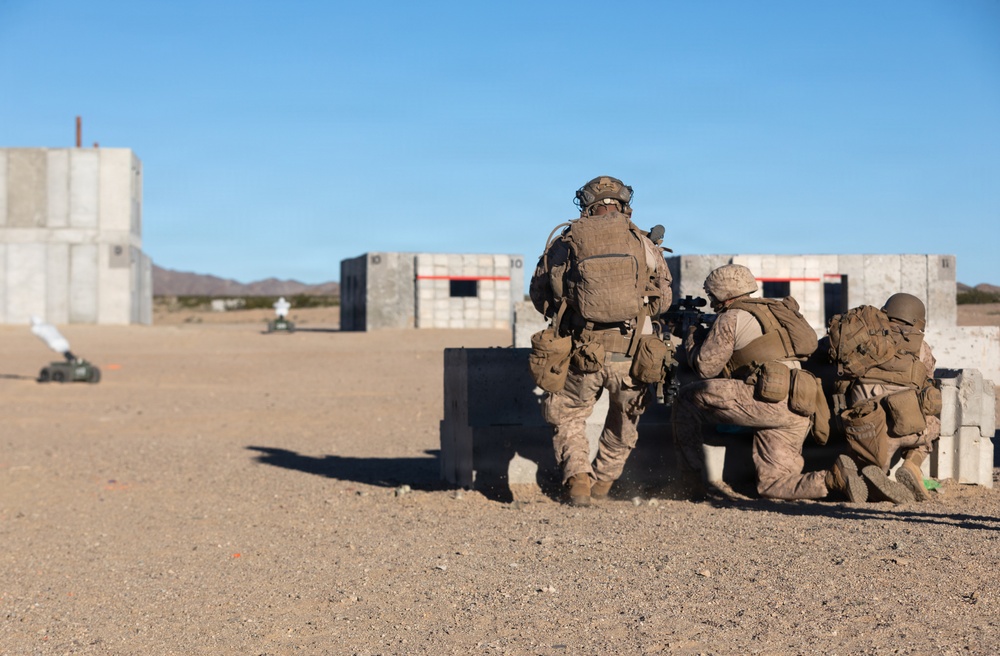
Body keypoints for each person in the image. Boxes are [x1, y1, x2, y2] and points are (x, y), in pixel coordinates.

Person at [529, 176, 672, 506]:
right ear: (623, 203)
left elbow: (540, 295)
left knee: (569, 415)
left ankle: (578, 479)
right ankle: (605, 482)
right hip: (633, 353)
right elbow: (664, 300)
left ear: (586, 203)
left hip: (583, 350)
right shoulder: (642, 242)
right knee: (625, 420)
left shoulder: (566, 241)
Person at [671, 264, 867, 502]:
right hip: (799, 405)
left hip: (766, 398)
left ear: (721, 294)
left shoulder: (730, 317)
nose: (711, 299)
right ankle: (834, 479)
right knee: (773, 484)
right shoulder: (776, 312)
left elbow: (706, 367)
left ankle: (690, 486)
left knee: (686, 400)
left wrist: (692, 338)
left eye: (712, 295)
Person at [840, 293, 941, 503]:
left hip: (865, 428)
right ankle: (912, 463)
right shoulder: (921, 348)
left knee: (871, 470)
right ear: (917, 320)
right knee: (933, 422)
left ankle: (875, 474)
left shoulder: (863, 339)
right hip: (906, 427)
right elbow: (928, 384)